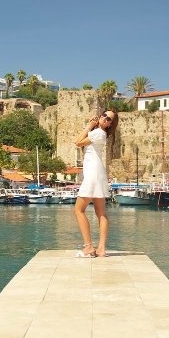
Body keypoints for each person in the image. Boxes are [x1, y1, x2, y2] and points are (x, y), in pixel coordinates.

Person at [73, 109, 118, 257]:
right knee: (101, 213)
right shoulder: (99, 132)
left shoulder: (98, 133)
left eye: (109, 119)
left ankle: (88, 247)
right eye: (104, 115)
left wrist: (88, 126)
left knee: (78, 210)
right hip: (98, 173)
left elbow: (77, 142)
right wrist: (92, 125)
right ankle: (101, 249)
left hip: (93, 174)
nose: (105, 118)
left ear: (110, 124)